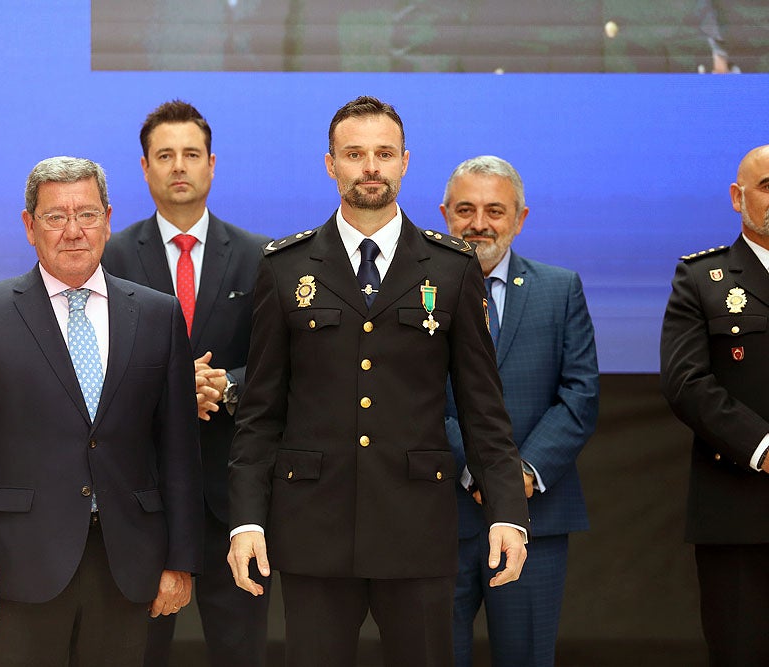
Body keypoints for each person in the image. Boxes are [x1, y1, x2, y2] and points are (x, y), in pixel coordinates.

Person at [226, 95, 530, 667]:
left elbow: (482, 408)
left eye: (384, 154)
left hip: (415, 527)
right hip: (314, 527)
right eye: (355, 154)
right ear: (330, 164)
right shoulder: (286, 267)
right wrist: (247, 520)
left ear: (405, 162)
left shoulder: (451, 266)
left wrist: (509, 512)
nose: (371, 167)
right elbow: (260, 411)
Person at [0, 156, 204, 666]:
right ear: (29, 225)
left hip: (128, 566)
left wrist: (180, 559)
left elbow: (179, 450)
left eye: (88, 214)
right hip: (20, 569)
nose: (74, 231)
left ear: (108, 218)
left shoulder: (156, 314)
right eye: (56, 216)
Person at [102, 100, 272, 667]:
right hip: (144, 495)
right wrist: (174, 386)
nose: (179, 166)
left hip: (234, 494)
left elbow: (282, 363)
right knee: (137, 651)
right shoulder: (111, 257)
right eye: (165, 155)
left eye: (191, 155)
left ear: (212, 165)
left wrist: (225, 386)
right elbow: (93, 365)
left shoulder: (260, 256)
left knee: (240, 650)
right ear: (145, 167)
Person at [440, 156, 600, 667]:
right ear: (445, 213)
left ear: (521, 218)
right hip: (437, 515)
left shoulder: (560, 289)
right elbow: (407, 398)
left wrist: (520, 475)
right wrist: (481, 470)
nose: (479, 224)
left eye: (495, 210)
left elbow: (580, 395)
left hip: (536, 516)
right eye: (465, 209)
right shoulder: (414, 293)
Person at [660, 144, 769, 666]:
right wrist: (764, 446)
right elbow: (686, 382)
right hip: (739, 511)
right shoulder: (702, 279)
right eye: (767, 186)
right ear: (737, 197)